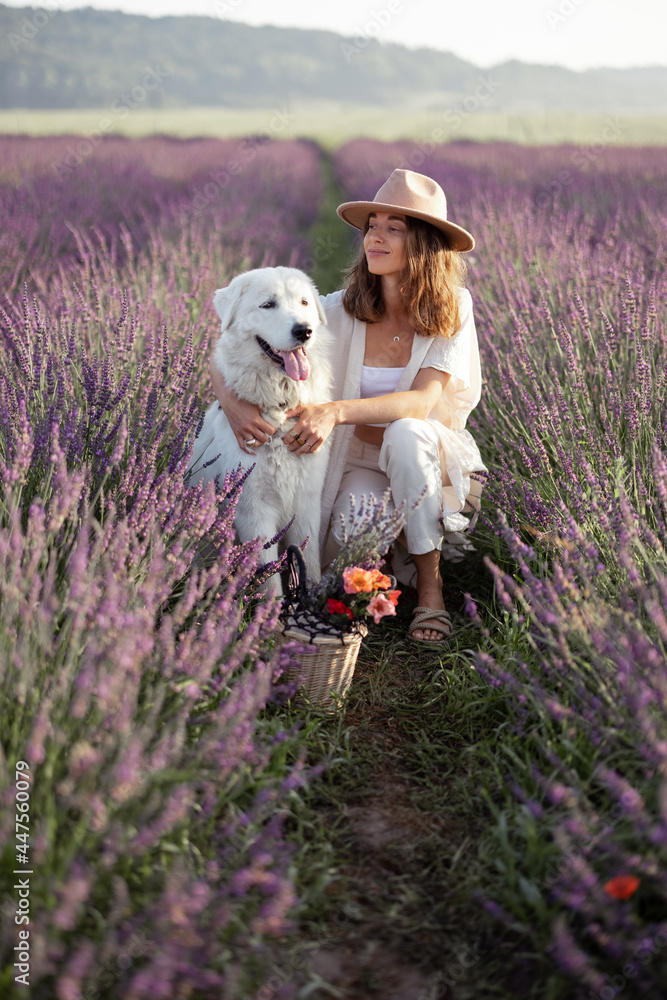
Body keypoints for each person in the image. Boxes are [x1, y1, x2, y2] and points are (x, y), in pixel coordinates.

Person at [210, 168, 486, 643]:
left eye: (392, 228)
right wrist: (230, 402)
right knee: (343, 553)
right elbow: (233, 340)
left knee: (405, 431)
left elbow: (421, 403)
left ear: (422, 244)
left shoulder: (453, 306)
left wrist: (334, 411)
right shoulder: (337, 308)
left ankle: (430, 589)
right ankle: (388, 552)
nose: (374, 238)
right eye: (371, 225)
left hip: (429, 455)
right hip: (357, 461)